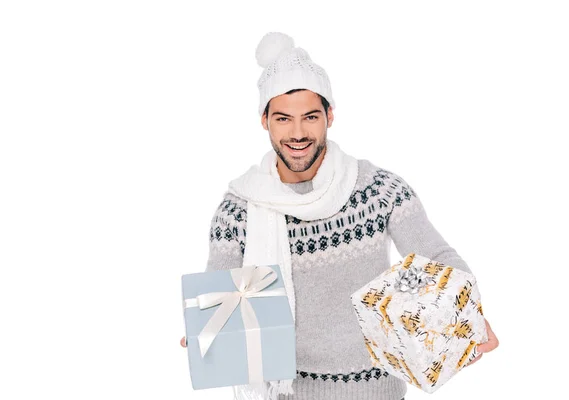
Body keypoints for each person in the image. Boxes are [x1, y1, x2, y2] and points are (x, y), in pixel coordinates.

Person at [180, 32, 499, 400]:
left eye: (310, 117)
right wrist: (205, 331)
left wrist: (468, 312)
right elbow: (219, 298)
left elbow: (438, 260)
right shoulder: (239, 212)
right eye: (283, 119)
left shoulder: (378, 190)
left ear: (330, 116)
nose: (298, 133)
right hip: (286, 394)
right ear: (264, 120)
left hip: (378, 391)